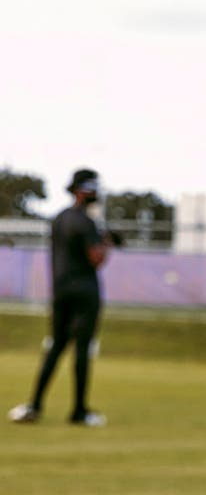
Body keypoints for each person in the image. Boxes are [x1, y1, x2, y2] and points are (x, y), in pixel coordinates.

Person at [9, 168, 117, 427]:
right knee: (81, 349)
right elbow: (96, 258)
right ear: (84, 191)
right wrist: (107, 243)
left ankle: (34, 405)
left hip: (60, 290)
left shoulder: (59, 219)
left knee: (55, 346)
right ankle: (79, 411)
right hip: (85, 293)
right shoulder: (86, 221)